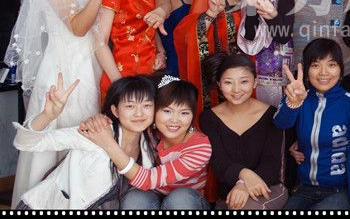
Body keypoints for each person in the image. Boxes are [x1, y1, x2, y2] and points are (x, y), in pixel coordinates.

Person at [7, 0, 114, 207]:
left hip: (91, 66)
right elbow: (78, 28)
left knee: (87, 139)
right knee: (58, 139)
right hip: (64, 68)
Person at [13, 74, 157, 209]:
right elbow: (25, 142)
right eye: (130, 106)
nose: (139, 113)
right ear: (115, 111)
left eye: (147, 105)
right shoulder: (95, 132)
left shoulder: (150, 143)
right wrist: (48, 115)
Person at [79, 77, 212, 210]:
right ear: (155, 110)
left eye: (184, 113)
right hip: (153, 194)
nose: (174, 120)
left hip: (188, 200)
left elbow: (147, 180)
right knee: (134, 199)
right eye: (167, 111)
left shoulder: (200, 147)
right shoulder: (150, 130)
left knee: (180, 198)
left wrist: (109, 144)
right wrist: (99, 121)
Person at [173, 0, 267, 115]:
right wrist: (211, 13)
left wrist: (253, 6)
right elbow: (188, 36)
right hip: (218, 79)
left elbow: (253, 35)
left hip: (243, 74)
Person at [274, 39, 350, 210]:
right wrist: (293, 103)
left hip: (340, 190)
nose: (324, 72)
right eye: (316, 65)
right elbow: (281, 123)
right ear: (307, 70)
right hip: (305, 188)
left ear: (341, 70)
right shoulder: (299, 96)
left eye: (331, 65)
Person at [199, 54, 288, 210]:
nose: (236, 89)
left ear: (255, 82)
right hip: (228, 196)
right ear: (219, 84)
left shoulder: (272, 115)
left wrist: (243, 184)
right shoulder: (208, 118)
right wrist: (243, 175)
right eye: (228, 82)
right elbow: (219, 161)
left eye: (244, 81)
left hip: (268, 188)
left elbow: (272, 163)